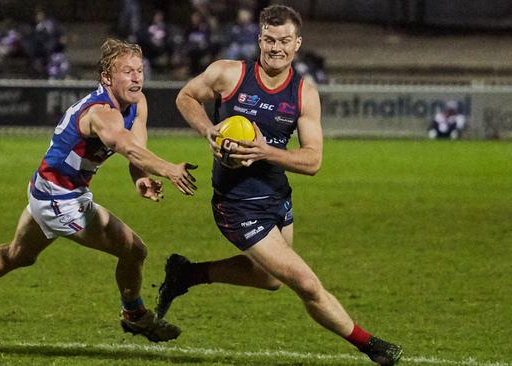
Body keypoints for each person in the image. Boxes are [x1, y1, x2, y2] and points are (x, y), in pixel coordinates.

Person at [157, 5, 402, 365]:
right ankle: (370, 345)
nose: (276, 48)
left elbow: (312, 160)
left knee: (269, 279)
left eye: (285, 41)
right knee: (305, 283)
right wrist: (208, 130)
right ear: (259, 40)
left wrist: (264, 151)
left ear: (297, 43)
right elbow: (186, 97)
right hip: (236, 205)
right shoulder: (228, 74)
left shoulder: (304, 95)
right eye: (269, 40)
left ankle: (187, 273)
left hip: (276, 196)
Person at [0, 38, 198, 343]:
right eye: (127, 71)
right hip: (61, 199)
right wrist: (169, 169)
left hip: (47, 189)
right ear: (107, 78)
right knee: (134, 249)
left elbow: (136, 151)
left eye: (139, 70)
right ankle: (135, 315)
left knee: (18, 255)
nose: (137, 77)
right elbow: (123, 145)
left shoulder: (137, 104)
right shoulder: (101, 112)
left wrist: (140, 178)